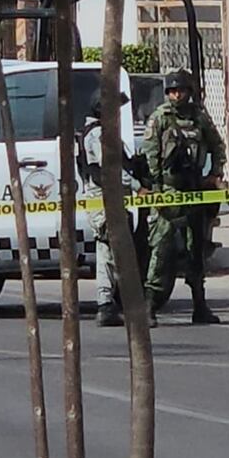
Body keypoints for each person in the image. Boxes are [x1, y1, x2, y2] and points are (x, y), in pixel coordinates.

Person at [140, 69, 226, 326]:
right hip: (168, 192)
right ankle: (149, 306)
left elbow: (217, 146)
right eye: (173, 91)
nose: (178, 95)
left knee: (195, 249)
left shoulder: (199, 117)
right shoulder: (160, 119)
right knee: (162, 249)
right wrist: (155, 191)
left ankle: (200, 304)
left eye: (182, 90)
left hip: (194, 191)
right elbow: (150, 156)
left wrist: (214, 173)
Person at [78, 90, 144, 327]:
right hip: (104, 201)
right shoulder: (98, 134)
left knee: (109, 251)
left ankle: (109, 302)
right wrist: (137, 186)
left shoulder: (100, 133)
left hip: (110, 199)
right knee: (110, 250)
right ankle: (108, 303)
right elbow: (110, 171)